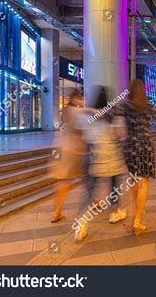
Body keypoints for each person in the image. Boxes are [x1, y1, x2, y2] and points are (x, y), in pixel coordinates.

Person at [75, 86, 128, 241]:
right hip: (112, 159)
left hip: (95, 158)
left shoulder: (88, 116)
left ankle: (81, 223)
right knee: (114, 187)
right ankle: (115, 212)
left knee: (90, 192)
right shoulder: (115, 116)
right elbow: (121, 135)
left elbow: (84, 136)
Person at [116, 79, 156, 235]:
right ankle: (138, 220)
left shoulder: (125, 105)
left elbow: (112, 113)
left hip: (130, 146)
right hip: (145, 146)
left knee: (134, 179)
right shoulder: (147, 105)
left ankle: (136, 212)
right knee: (144, 182)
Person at [50, 89, 88, 223]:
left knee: (62, 181)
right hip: (71, 149)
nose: (82, 101)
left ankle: (56, 212)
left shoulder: (65, 111)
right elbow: (82, 131)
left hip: (58, 147)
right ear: (76, 98)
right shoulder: (77, 111)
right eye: (81, 98)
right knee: (86, 178)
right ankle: (94, 201)